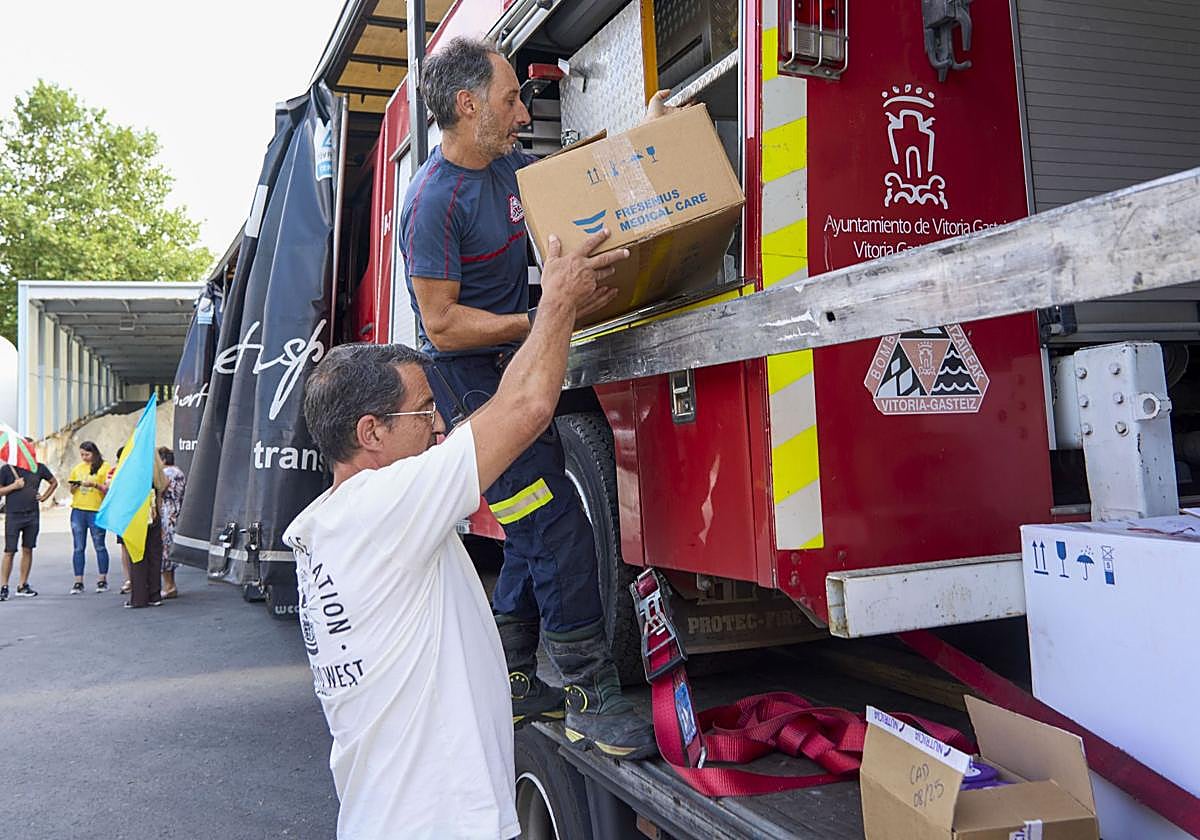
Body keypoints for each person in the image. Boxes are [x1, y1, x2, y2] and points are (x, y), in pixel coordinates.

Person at [284, 222, 627, 837]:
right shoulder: (383, 510)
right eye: (424, 412)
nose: (440, 425)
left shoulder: (340, 524)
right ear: (371, 433)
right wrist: (557, 302)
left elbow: (490, 419)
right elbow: (524, 410)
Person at [398, 36, 666, 757]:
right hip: (469, 379)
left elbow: (586, 184)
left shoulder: (508, 168)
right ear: (468, 105)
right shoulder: (431, 202)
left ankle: (515, 678)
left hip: (515, 362)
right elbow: (441, 324)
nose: (523, 112)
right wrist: (545, 316)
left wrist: (650, 136)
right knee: (554, 524)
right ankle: (589, 697)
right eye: (511, 98)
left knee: (527, 523)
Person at [0, 438, 57, 600]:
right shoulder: (8, 469)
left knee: (28, 548)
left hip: (32, 514)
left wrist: (44, 497)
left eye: (31, 448)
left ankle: (22, 584)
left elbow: (53, 482)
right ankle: (4, 586)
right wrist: (13, 486)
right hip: (13, 514)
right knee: (10, 550)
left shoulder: (39, 467)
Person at [124, 453, 168, 609]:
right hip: (154, 516)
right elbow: (161, 493)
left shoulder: (133, 473)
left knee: (137, 556)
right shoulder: (157, 474)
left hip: (137, 517)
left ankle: (139, 597)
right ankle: (154, 595)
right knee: (154, 556)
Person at [67, 441, 111, 594]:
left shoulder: (104, 467)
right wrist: (74, 487)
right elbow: (71, 491)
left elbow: (108, 489)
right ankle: (78, 581)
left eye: (87, 454)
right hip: (78, 509)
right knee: (78, 547)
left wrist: (94, 485)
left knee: (99, 545)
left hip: (96, 509)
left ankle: (102, 579)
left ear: (94, 453)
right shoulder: (77, 468)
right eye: (82, 455)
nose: (84, 457)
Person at [157, 447, 185, 598]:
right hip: (175, 511)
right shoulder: (179, 472)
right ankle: (170, 584)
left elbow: (160, 488)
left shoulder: (166, 473)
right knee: (169, 549)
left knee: (164, 550)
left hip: (166, 513)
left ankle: (169, 585)